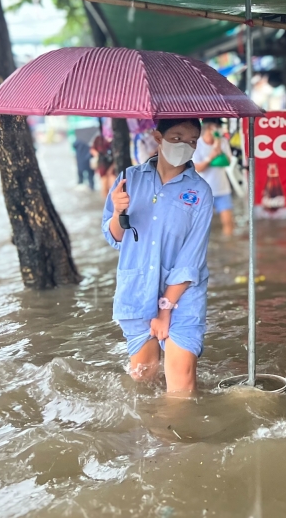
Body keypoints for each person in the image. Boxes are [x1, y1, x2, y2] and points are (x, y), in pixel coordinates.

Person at [102, 118, 214, 393]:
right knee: (143, 380)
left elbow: (192, 259)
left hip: (183, 295)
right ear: (158, 137)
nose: (185, 146)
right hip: (137, 289)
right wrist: (118, 211)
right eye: (176, 138)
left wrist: (165, 310)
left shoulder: (200, 192)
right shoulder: (130, 179)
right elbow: (114, 237)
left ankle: (184, 435)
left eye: (191, 141)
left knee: (182, 384)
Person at [192, 118, 235, 237]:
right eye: (216, 127)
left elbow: (228, 161)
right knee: (201, 226)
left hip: (222, 189)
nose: (218, 129)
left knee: (228, 222)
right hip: (204, 191)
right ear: (209, 129)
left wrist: (218, 145)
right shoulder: (197, 144)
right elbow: (197, 167)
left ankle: (229, 246)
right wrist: (210, 158)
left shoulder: (223, 142)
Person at [91, 131, 115, 200]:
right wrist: (98, 155)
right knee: (104, 184)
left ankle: (112, 201)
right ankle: (107, 202)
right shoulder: (99, 138)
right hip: (102, 166)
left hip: (113, 165)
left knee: (112, 184)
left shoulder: (115, 138)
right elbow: (92, 149)